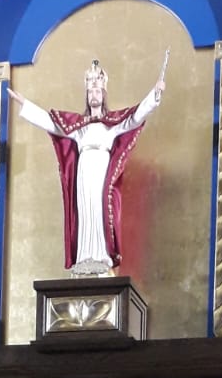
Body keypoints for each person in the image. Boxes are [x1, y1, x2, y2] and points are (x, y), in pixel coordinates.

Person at [10, 53, 167, 275]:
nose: (94, 94)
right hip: (84, 170)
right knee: (85, 210)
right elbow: (49, 122)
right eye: (91, 91)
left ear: (104, 95)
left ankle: (102, 255)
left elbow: (135, 117)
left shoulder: (112, 124)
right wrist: (24, 103)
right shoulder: (79, 127)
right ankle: (85, 255)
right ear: (87, 96)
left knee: (101, 207)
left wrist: (155, 93)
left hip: (102, 170)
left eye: (98, 91)